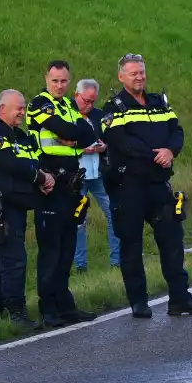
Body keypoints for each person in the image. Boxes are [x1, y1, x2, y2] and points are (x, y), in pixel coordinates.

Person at [102, 53, 192, 318]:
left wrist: (171, 150)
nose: (139, 77)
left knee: (173, 241)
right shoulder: (113, 106)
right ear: (121, 77)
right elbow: (121, 141)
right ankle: (138, 302)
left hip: (159, 184)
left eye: (141, 72)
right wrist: (154, 154)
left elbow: (177, 130)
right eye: (133, 73)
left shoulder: (158, 102)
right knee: (131, 245)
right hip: (129, 185)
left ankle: (180, 299)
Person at [25, 60, 98, 327]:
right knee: (51, 248)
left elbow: (90, 133)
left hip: (71, 184)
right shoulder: (38, 104)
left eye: (64, 81)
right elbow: (69, 131)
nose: (59, 85)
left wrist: (73, 137)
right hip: (50, 183)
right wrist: (72, 135)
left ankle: (65, 304)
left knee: (68, 246)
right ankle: (48, 308)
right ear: (46, 79)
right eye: (55, 80)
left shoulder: (68, 105)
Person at [0, 89, 54, 332]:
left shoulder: (20, 135)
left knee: (9, 259)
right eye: (17, 108)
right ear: (1, 109)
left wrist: (44, 175)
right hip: (3, 208)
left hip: (17, 206)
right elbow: (10, 163)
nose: (22, 112)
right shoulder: (0, 134)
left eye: (23, 107)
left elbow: (34, 159)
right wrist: (39, 177)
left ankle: (4, 309)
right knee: (14, 261)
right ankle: (15, 311)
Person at [72, 78, 118, 273]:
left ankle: (117, 260)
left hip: (99, 173)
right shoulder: (66, 115)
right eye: (86, 100)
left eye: (93, 101)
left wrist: (104, 146)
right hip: (77, 175)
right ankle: (80, 265)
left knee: (114, 214)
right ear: (76, 96)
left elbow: (111, 138)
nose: (89, 105)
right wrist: (83, 149)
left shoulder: (99, 116)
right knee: (79, 220)